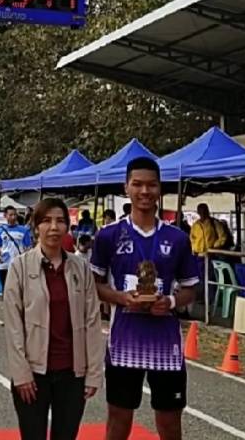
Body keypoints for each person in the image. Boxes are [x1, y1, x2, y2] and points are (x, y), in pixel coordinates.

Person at [91, 157, 199, 440]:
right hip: (123, 340)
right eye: (137, 184)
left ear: (160, 188)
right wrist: (121, 298)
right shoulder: (108, 236)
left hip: (166, 343)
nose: (144, 191)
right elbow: (94, 285)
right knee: (119, 419)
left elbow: (190, 289)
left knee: (170, 422)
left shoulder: (178, 238)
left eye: (151, 185)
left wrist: (170, 302)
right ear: (126, 187)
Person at [3, 198, 103, 440]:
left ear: (68, 226)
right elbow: (13, 325)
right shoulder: (20, 267)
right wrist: (21, 374)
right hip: (34, 373)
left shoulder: (80, 267)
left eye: (60, 221)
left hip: (72, 372)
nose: (54, 227)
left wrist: (93, 373)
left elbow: (92, 321)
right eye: (46, 221)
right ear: (36, 226)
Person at [0, 206, 32, 291]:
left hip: (18, 264)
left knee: (17, 289)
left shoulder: (24, 230)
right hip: (4, 265)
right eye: (11, 215)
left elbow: (29, 247)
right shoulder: (0, 230)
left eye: (15, 215)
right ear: (5, 216)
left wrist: (24, 258)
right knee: (5, 288)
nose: (13, 217)